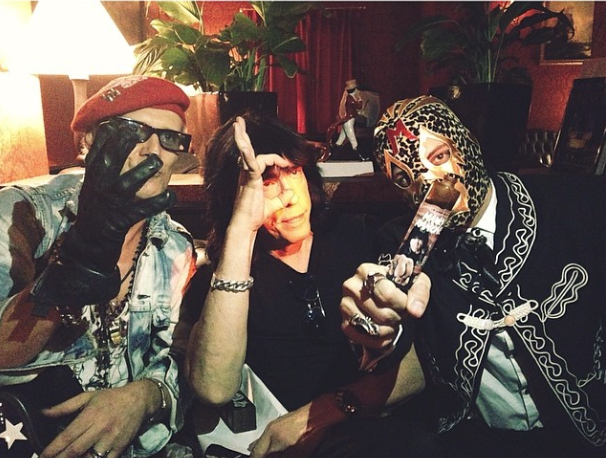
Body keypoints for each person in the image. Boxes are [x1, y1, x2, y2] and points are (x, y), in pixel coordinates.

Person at [340, 95, 606, 457]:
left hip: (587, 435)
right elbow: (392, 329)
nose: (427, 181)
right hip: (475, 441)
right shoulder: (398, 245)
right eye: (404, 178)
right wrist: (378, 329)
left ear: (468, 141)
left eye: (438, 156)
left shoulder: (577, 203)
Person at [184, 111, 440, 458]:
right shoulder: (224, 272)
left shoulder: (359, 239)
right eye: (267, 181)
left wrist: (319, 416)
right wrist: (242, 229)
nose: (289, 195)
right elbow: (213, 389)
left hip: (370, 434)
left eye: (293, 171)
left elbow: (419, 368)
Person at [0, 75, 197, 458]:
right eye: (131, 133)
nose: (153, 152)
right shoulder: (22, 215)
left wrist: (145, 396)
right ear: (88, 143)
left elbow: (177, 355)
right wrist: (72, 265)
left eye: (169, 138)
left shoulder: (174, 245)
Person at [326, 79, 365, 159]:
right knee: (353, 139)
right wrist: (360, 100)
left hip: (349, 120)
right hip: (349, 120)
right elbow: (359, 106)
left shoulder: (350, 97)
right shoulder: (350, 98)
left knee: (340, 141)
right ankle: (360, 156)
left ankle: (330, 154)